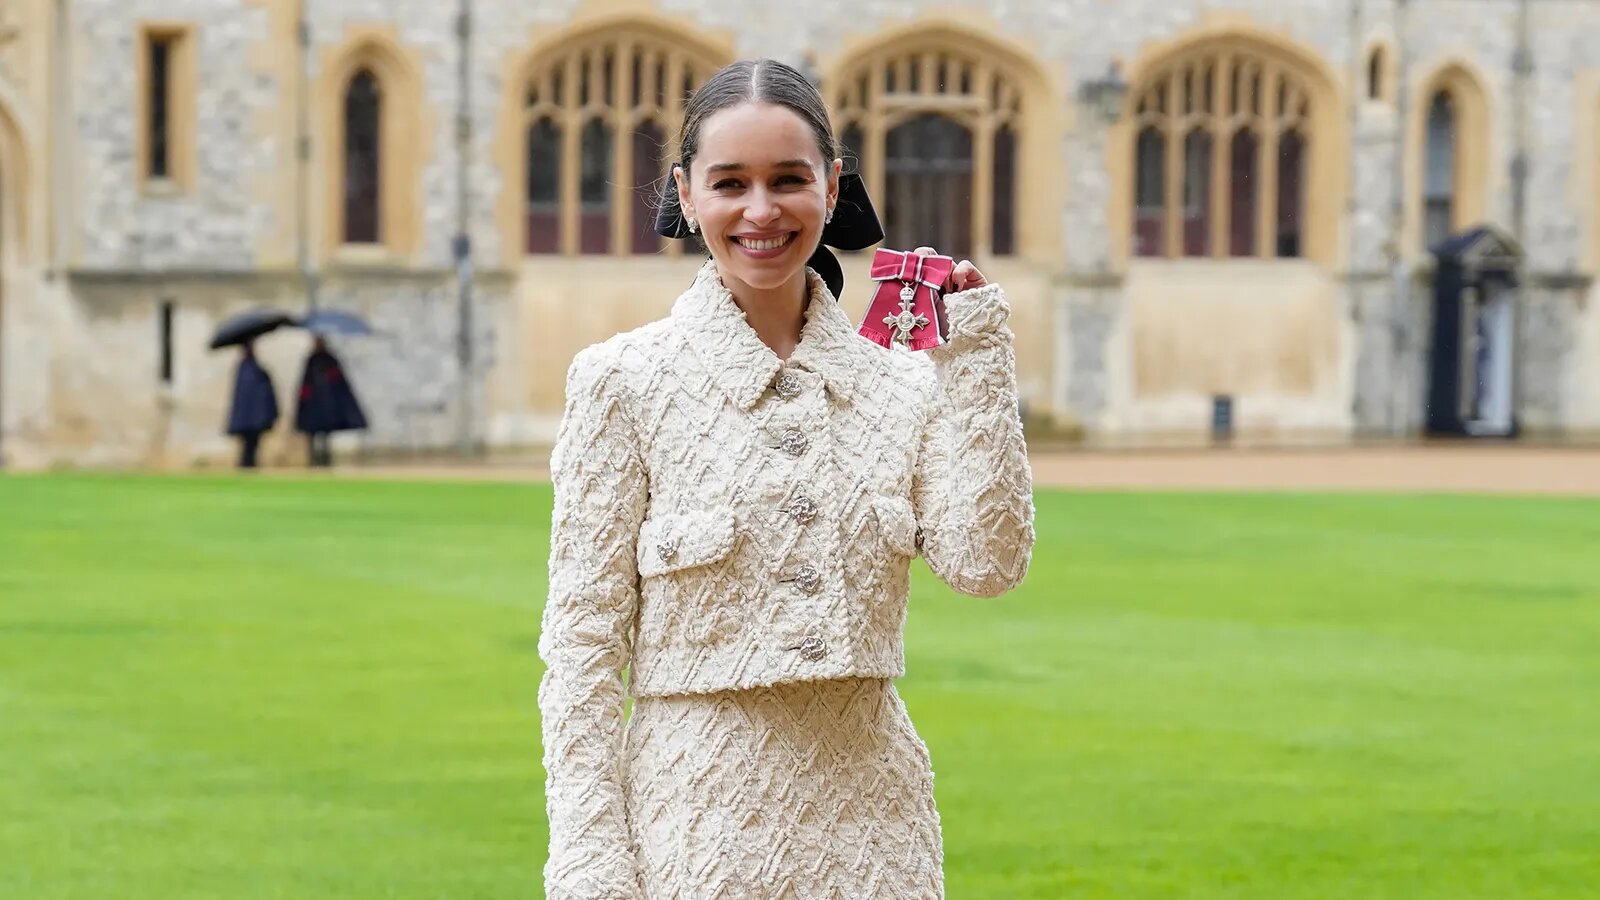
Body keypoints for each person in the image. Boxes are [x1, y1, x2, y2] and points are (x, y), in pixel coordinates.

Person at [538, 59, 1035, 898]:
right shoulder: (622, 381)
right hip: (692, 831)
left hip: (878, 837)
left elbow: (987, 566)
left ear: (834, 187)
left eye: (788, 180)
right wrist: (589, 866)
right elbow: (584, 647)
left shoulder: (901, 381)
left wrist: (978, 357)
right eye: (730, 183)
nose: (760, 211)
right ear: (687, 194)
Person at [294, 336, 367, 467]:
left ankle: (324, 459)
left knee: (325, 435)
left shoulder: (330, 360)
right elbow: (306, 383)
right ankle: (313, 460)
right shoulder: (312, 360)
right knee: (313, 434)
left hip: (327, 404)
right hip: (314, 405)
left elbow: (339, 382)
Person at [226, 342, 278, 470]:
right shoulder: (245, 369)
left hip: (254, 417)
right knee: (247, 446)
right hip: (248, 418)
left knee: (252, 445)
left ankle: (249, 465)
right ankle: (246, 466)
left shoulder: (255, 370)